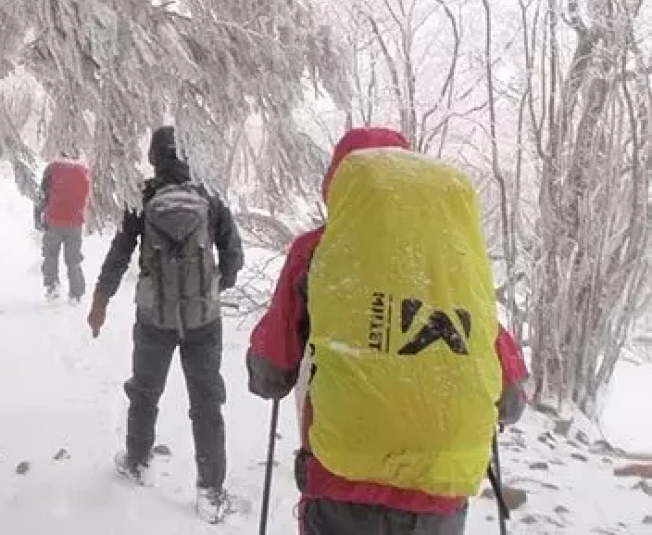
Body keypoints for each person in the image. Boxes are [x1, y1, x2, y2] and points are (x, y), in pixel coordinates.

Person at [247, 127, 530, 535]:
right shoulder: (456, 262)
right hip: (440, 499)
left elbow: (270, 370)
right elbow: (511, 400)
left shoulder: (319, 249)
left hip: (341, 486)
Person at [87, 125, 244, 520]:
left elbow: (119, 253)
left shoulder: (142, 198)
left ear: (155, 157)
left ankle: (138, 462)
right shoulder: (210, 198)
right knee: (207, 404)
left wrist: (100, 299)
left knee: (145, 392)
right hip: (203, 321)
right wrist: (210, 287)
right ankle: (210, 493)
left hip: (153, 319)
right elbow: (234, 257)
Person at [35, 151, 92, 303]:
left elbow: (43, 193)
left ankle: (52, 287)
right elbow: (86, 195)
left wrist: (38, 215)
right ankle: (76, 293)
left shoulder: (53, 168)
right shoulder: (84, 170)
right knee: (73, 259)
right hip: (75, 222)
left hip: (54, 219)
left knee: (50, 255)